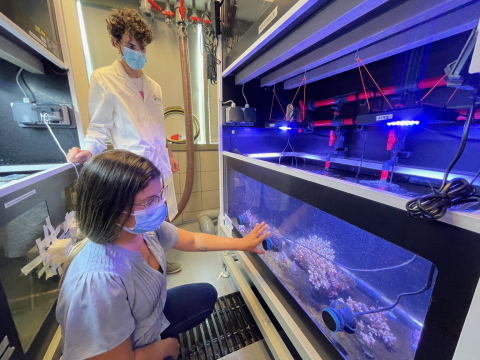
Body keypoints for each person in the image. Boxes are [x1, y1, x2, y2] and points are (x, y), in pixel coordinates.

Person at [56, 150, 269, 360]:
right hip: (127, 353)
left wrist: (242, 243)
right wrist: (164, 348)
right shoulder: (99, 283)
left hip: (147, 323)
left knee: (205, 295)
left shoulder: (144, 230)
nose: (160, 206)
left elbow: (194, 240)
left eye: (160, 196)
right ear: (111, 209)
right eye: (149, 201)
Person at [66, 8, 182, 274]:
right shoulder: (104, 78)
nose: (138, 52)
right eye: (131, 45)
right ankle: (141, 269)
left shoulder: (154, 86)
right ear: (116, 42)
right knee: (139, 220)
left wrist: (170, 153)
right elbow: (98, 127)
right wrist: (87, 151)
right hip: (134, 171)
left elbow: (157, 125)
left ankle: (160, 261)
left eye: (142, 47)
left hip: (160, 166)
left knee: (161, 216)